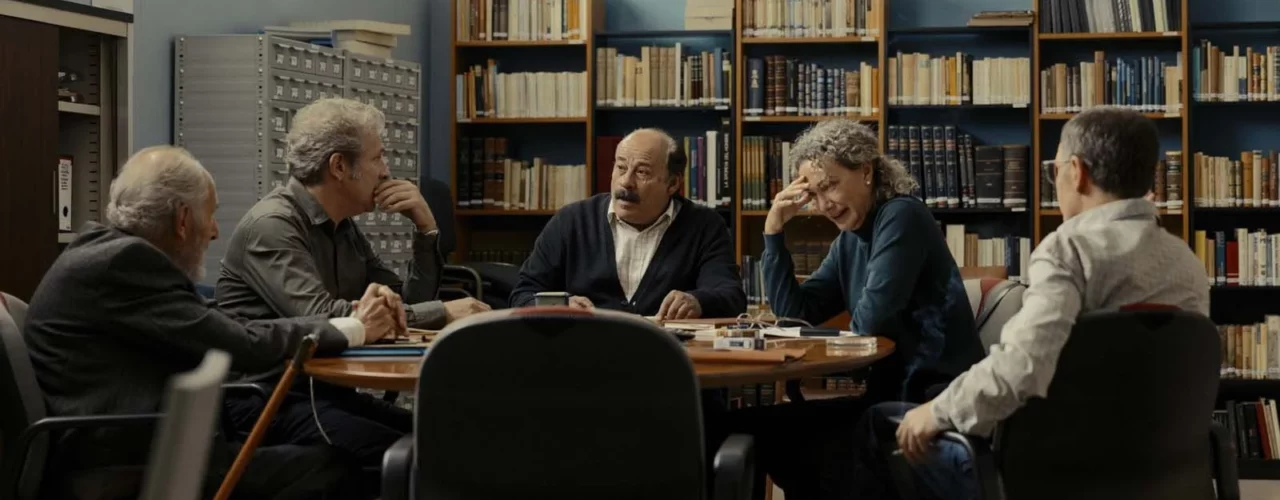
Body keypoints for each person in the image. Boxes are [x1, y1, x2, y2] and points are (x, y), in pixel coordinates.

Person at [870, 107, 1211, 499]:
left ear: (1077, 172)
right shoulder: (1186, 262)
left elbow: (1022, 369)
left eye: (1056, 169)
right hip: (1157, 469)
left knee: (879, 424)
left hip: (1054, 469)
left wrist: (935, 412)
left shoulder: (1070, 250)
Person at [22, 146, 398, 499]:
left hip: (131, 446)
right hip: (131, 464)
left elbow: (208, 323)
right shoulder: (124, 264)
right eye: (211, 214)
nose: (215, 230)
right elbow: (238, 343)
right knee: (335, 466)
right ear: (183, 220)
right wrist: (355, 326)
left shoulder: (105, 252)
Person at [717, 118, 984, 500]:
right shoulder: (851, 239)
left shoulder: (901, 215)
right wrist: (773, 231)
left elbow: (870, 322)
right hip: (884, 399)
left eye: (830, 185)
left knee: (780, 438)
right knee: (744, 427)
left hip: (926, 403)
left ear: (866, 172)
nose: (824, 205)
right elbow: (794, 314)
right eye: (814, 194)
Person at [508, 127, 746, 320]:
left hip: (668, 355)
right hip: (583, 355)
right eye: (620, 167)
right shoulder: (572, 221)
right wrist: (560, 306)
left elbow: (731, 296)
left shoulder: (704, 226)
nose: (625, 182)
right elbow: (523, 294)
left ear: (673, 184)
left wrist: (698, 301)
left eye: (642, 172)